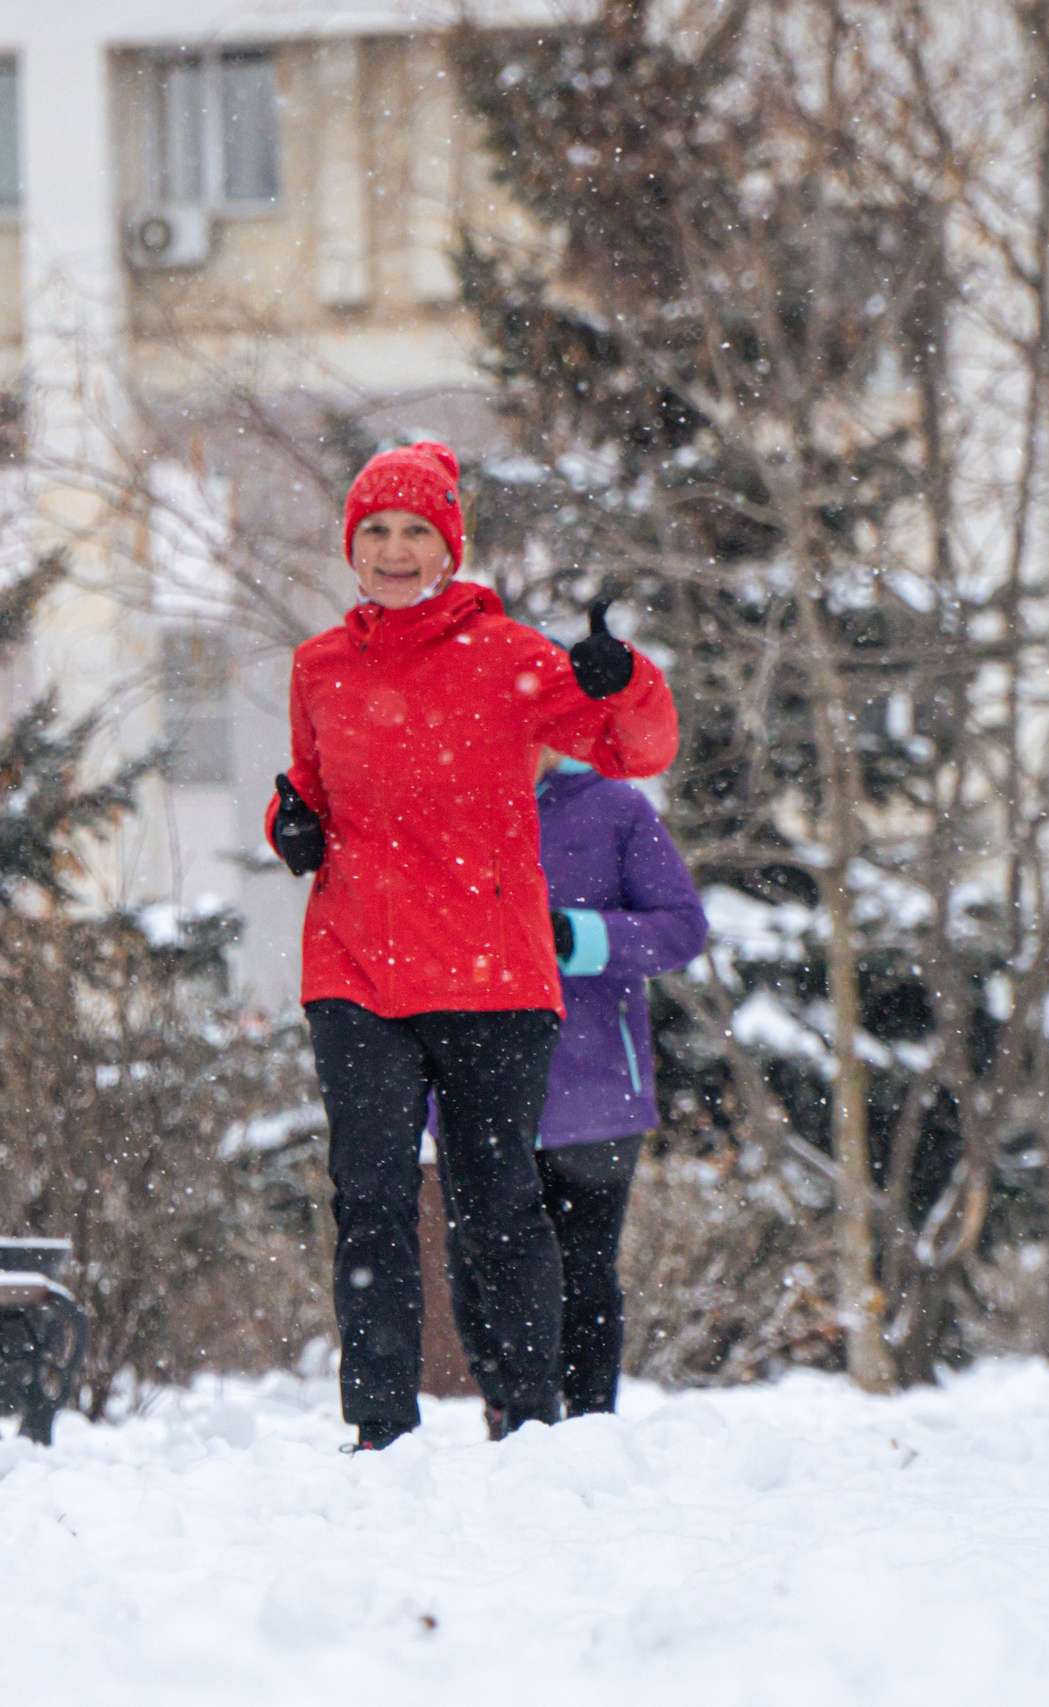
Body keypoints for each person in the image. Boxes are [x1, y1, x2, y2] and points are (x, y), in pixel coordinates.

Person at [267, 440, 678, 1451]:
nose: (395, 551)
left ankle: (530, 1419)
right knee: (367, 1199)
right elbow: (309, 788)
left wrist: (618, 678)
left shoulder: (509, 658)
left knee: (495, 1208)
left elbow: (638, 747)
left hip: (490, 970)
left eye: (416, 532)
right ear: (351, 547)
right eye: (376, 532)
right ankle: (378, 1424)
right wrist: (292, 821)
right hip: (357, 965)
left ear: (448, 545)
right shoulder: (319, 667)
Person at [446, 753, 706, 1425]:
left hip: (596, 1091)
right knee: (479, 1276)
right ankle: (512, 1418)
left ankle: (590, 1427)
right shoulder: (446, 803)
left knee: (585, 1274)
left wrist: (581, 936)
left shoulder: (616, 808)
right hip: (478, 1085)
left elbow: (681, 927)